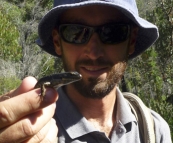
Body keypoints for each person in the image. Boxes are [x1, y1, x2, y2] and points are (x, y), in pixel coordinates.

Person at [0, 0, 172, 143]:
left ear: (132, 40)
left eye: (113, 32)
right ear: (57, 41)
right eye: (76, 32)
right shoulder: (29, 126)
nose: (94, 52)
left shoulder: (154, 131)